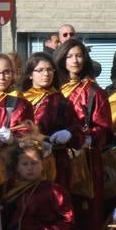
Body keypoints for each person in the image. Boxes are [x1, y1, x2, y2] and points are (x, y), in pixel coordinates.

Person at [56, 38, 112, 230]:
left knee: (86, 214)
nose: (75, 60)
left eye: (79, 55)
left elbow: (104, 128)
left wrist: (87, 138)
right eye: (70, 56)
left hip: (86, 159)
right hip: (57, 158)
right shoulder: (54, 89)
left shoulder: (94, 91)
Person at [17, 51, 82, 189]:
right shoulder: (19, 99)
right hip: (23, 162)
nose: (46, 74)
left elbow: (77, 130)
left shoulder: (61, 100)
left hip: (55, 162)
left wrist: (69, 133)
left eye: (49, 70)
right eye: (40, 70)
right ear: (30, 74)